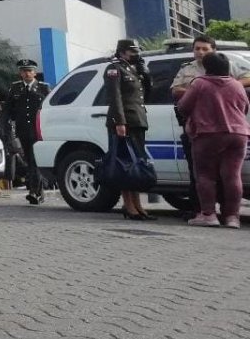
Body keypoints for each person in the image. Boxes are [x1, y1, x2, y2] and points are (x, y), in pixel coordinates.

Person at [171, 34, 250, 219]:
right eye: (197, 48)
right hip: (237, 131)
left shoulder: (200, 83)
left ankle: (208, 215)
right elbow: (244, 106)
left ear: (214, 51)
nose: (200, 52)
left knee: (205, 175)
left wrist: (210, 92)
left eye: (205, 49)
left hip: (206, 132)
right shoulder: (190, 70)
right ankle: (231, 217)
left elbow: (183, 107)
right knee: (231, 176)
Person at [105, 38, 153, 221]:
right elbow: (115, 97)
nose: (136, 54)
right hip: (124, 123)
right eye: (133, 51)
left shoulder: (133, 69)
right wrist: (120, 122)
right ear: (123, 52)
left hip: (138, 120)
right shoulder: (114, 69)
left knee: (137, 164)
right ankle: (129, 205)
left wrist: (146, 74)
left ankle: (138, 204)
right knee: (125, 164)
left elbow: (145, 94)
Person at [5, 60, 50, 204]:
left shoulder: (44, 88)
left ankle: (34, 191)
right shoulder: (15, 88)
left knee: (34, 160)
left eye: (29, 71)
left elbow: (49, 109)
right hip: (22, 131)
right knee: (29, 161)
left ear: (35, 72)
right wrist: (6, 127)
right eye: (24, 71)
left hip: (38, 130)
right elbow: (8, 110)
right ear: (20, 73)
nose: (27, 73)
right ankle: (39, 192)